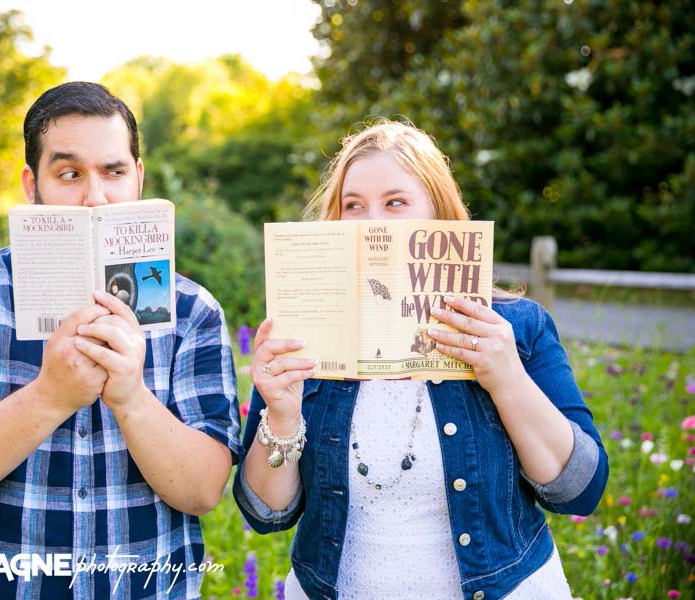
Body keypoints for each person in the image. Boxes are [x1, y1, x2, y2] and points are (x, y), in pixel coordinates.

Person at [0, 82, 243, 599]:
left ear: (138, 178)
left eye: (114, 172)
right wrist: (49, 395)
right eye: (69, 173)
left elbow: (204, 490)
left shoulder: (192, 310)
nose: (96, 197)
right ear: (32, 185)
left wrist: (131, 398)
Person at [234, 120, 608, 600]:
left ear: (438, 213)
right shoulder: (307, 331)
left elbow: (581, 489)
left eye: (395, 202)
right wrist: (282, 416)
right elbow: (266, 513)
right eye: (354, 206)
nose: (372, 222)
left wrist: (507, 378)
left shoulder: (517, 326)